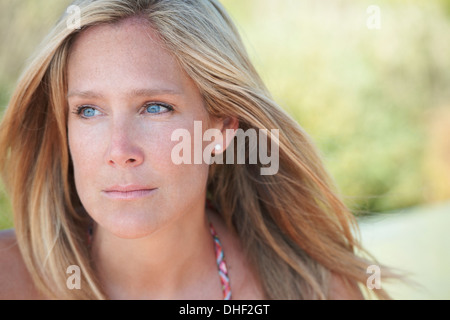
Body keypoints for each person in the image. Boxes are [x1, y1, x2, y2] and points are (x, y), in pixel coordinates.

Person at [0, 0, 395, 300]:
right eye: (88, 110)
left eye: (156, 107)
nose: (119, 150)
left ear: (221, 128)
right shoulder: (10, 277)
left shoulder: (315, 287)